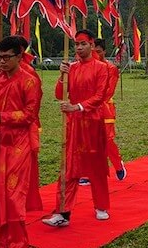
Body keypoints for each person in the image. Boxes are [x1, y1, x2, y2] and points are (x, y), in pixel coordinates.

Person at [0, 36, 42, 248]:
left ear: (19, 56)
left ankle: (19, 244)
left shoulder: (29, 81)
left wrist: (2, 117)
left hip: (20, 142)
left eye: (7, 57)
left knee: (14, 194)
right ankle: (2, 241)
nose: (3, 62)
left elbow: (30, 115)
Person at [43, 30, 110, 227]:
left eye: (83, 44)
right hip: (74, 125)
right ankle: (63, 212)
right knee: (68, 167)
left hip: (93, 123)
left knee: (96, 167)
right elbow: (59, 93)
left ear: (91, 45)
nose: (79, 47)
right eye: (76, 44)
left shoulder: (101, 68)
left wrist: (78, 107)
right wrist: (62, 75)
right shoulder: (71, 68)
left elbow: (100, 96)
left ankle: (101, 206)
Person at [94, 38, 126, 180]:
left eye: (98, 51)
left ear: (104, 51)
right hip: (88, 109)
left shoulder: (111, 68)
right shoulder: (85, 66)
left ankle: (118, 164)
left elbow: (109, 91)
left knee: (107, 140)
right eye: (93, 51)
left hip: (105, 106)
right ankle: (90, 172)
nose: (95, 54)